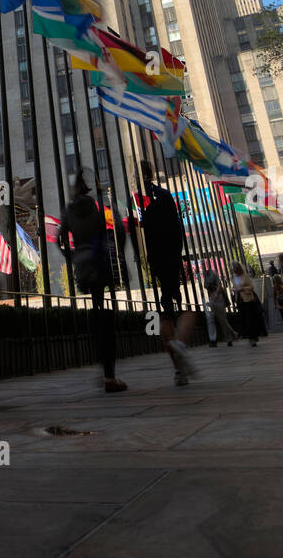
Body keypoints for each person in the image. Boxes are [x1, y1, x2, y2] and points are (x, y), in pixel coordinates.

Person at [59, 168, 127, 393]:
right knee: (105, 314)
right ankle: (110, 375)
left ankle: (103, 361)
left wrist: (72, 257)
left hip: (82, 263)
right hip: (99, 261)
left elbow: (59, 238)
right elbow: (118, 227)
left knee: (97, 311)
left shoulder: (69, 210)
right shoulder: (99, 204)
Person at [141, 162, 196, 385]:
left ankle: (178, 371)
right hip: (170, 258)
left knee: (165, 312)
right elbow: (178, 234)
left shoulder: (148, 211)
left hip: (157, 263)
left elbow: (146, 241)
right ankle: (179, 344)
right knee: (186, 310)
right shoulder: (167, 202)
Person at [230, 261, 265, 346]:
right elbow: (234, 287)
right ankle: (248, 336)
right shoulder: (233, 278)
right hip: (239, 300)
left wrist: (242, 289)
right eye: (233, 269)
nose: (234, 271)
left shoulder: (245, 276)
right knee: (244, 318)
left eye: (235, 269)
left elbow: (251, 287)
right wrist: (234, 290)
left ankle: (253, 338)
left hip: (248, 300)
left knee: (250, 319)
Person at [204, 267, 236, 346]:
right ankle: (230, 335)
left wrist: (216, 294)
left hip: (217, 297)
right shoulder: (206, 276)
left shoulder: (213, 274)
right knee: (217, 318)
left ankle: (230, 336)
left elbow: (219, 285)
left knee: (222, 318)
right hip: (212, 297)